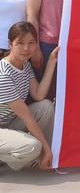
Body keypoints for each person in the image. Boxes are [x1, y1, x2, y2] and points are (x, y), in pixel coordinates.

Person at [0, 22, 58, 171]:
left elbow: (38, 95)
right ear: (10, 44)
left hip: (8, 124)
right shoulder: (4, 75)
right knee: (33, 147)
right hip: (3, 128)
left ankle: (35, 156)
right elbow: (27, 117)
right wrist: (45, 148)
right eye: (20, 43)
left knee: (46, 106)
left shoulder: (24, 64)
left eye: (31, 43)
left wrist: (51, 62)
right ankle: (36, 156)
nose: (26, 48)